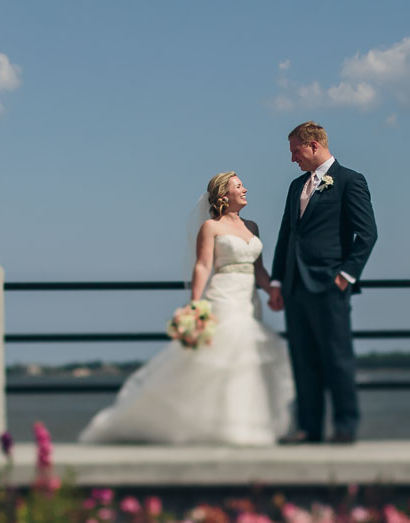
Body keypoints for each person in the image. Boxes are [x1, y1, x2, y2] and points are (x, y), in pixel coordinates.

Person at [78, 172, 295, 445]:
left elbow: (259, 269)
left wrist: (273, 290)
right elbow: (203, 265)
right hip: (224, 296)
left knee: (246, 360)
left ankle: (242, 426)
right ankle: (219, 427)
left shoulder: (253, 226)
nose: (245, 189)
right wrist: (195, 305)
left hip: (249, 299)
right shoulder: (211, 227)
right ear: (223, 195)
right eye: (238, 186)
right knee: (225, 357)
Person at [267, 121, 377, 444]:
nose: (292, 159)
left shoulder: (350, 181)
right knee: (303, 360)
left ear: (314, 145)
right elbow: (286, 237)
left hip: (330, 286)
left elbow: (367, 235)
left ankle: (345, 426)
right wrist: (276, 282)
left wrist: (345, 276)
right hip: (294, 287)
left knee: (337, 357)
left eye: (295, 151)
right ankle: (309, 429)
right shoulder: (294, 187)